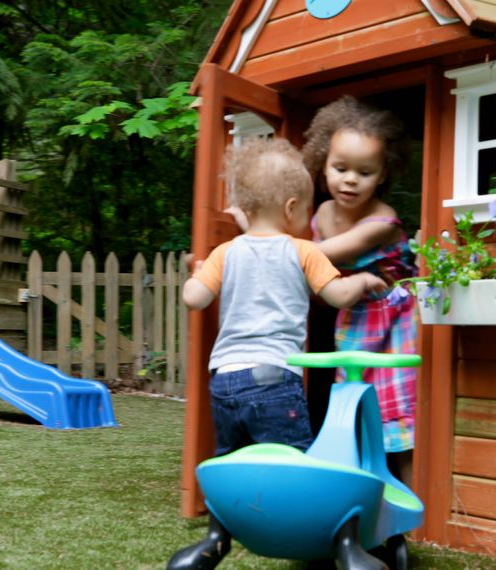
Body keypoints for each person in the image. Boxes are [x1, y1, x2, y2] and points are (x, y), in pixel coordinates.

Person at [167, 137, 384, 570]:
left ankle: (215, 541)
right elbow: (338, 295)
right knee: (297, 468)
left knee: (231, 466)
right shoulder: (303, 250)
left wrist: (197, 270)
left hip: (224, 379)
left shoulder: (225, 254)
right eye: (305, 211)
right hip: (275, 381)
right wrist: (362, 281)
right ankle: (333, 546)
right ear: (290, 208)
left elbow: (194, 298)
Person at [303, 95, 419, 489]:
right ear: (323, 163)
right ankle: (355, 487)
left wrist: (262, 243)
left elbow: (320, 256)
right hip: (353, 316)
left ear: (383, 173)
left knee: (394, 406)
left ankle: (409, 496)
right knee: (350, 399)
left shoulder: (382, 222)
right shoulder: (320, 215)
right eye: (340, 168)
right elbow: (320, 279)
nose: (350, 179)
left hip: (396, 321)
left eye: (364, 172)